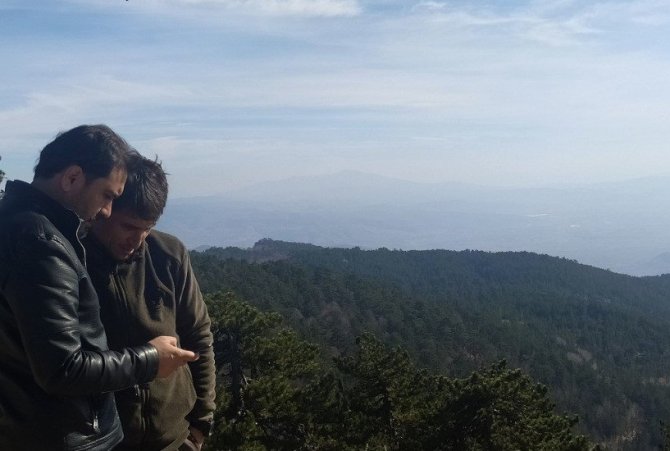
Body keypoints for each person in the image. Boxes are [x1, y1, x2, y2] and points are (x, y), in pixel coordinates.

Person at [0, 125, 198, 451]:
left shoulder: (15, 223)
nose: (106, 210)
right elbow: (63, 369)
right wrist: (151, 359)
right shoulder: (40, 242)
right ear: (72, 178)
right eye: (107, 195)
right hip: (60, 436)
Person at [84, 153, 216, 451]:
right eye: (129, 227)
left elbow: (197, 335)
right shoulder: (73, 262)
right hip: (105, 440)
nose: (138, 239)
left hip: (174, 436)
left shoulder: (168, 254)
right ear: (105, 210)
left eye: (148, 227)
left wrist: (200, 424)